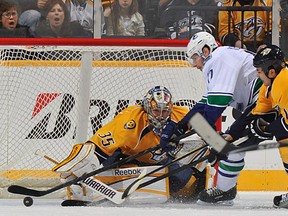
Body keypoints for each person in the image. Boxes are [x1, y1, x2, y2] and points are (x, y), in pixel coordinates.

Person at [51, 86, 211, 203]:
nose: (161, 116)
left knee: (182, 179)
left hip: (163, 164)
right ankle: (88, 190)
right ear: (147, 108)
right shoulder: (130, 121)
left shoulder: (181, 114)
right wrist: (82, 171)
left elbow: (210, 135)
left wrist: (217, 148)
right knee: (105, 165)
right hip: (129, 159)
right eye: (156, 111)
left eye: (165, 111)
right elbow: (97, 149)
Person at [159, 31, 263, 203]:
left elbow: (216, 106)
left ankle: (224, 190)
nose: (194, 64)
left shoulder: (217, 59)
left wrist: (212, 141)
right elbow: (204, 105)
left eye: (194, 57)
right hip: (261, 101)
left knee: (231, 143)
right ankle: (225, 190)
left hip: (270, 99)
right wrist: (180, 126)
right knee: (234, 144)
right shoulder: (220, 58)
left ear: (205, 51)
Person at [197, 45, 288, 208]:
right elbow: (254, 112)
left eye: (259, 71)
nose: (256, 75)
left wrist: (266, 128)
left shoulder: (284, 84)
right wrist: (230, 135)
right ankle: (224, 190)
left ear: (271, 72)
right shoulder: (269, 87)